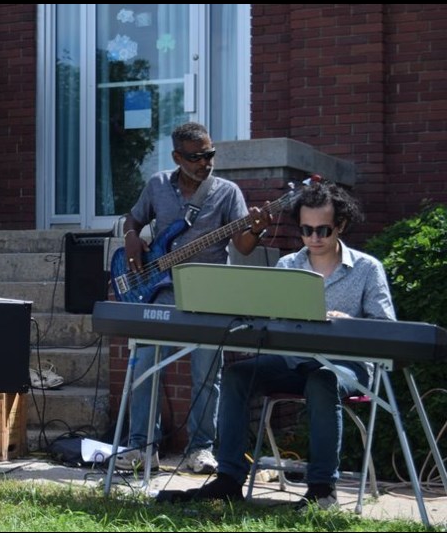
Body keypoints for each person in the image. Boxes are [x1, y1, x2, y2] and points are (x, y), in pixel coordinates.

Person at [162, 181, 396, 508]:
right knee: (236, 375)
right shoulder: (288, 266)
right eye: (306, 229)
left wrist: (347, 321)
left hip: (344, 367)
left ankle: (322, 489)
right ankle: (229, 479)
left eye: (323, 230)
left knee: (322, 380)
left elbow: (386, 329)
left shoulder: (367, 269)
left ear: (340, 226)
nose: (314, 237)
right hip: (291, 362)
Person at [118, 122, 271, 474]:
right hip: (162, 290)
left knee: (206, 372)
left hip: (210, 292)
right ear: (177, 157)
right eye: (197, 157)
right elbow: (134, 218)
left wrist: (258, 227)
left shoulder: (227, 192)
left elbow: (244, 247)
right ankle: (142, 447)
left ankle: (199, 450)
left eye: (210, 154)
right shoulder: (157, 184)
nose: (206, 162)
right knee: (144, 365)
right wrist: (130, 236)